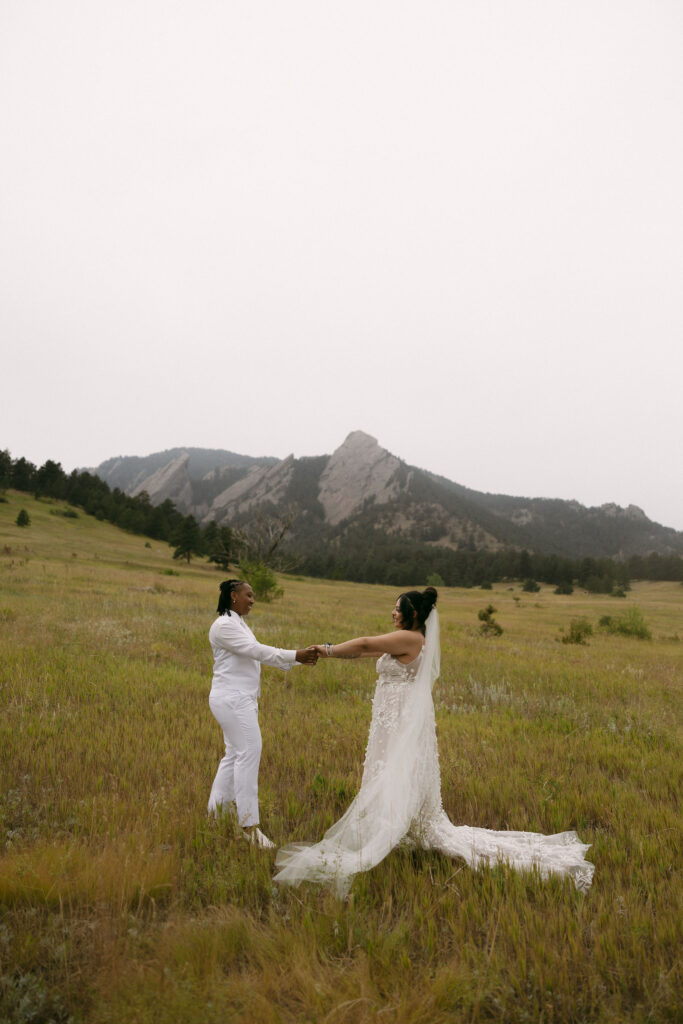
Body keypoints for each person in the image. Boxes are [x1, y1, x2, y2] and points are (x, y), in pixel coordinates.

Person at [274, 587, 594, 894]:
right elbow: (367, 650)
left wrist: (325, 650)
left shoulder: (411, 638)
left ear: (412, 614)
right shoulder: (408, 640)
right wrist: (331, 652)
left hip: (397, 719)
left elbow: (365, 643)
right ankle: (397, 824)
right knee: (390, 772)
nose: (392, 612)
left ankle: (395, 827)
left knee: (392, 771)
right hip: (392, 717)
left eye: (397, 608)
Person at [208, 578, 317, 849]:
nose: (253, 600)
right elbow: (256, 651)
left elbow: (253, 653)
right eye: (249, 595)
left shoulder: (237, 623)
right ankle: (248, 827)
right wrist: (295, 655)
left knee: (234, 755)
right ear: (234, 596)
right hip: (232, 699)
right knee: (248, 753)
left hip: (238, 699)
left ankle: (216, 815)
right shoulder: (223, 626)